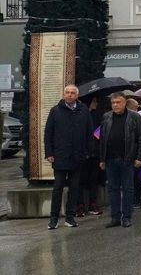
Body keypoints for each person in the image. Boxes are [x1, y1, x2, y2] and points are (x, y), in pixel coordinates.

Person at [44, 85, 93, 229]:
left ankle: (70, 217)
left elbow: (89, 132)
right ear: (63, 94)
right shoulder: (55, 111)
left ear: (77, 96)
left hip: (77, 156)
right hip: (60, 156)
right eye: (67, 92)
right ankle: (53, 219)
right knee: (58, 188)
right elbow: (48, 133)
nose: (69, 95)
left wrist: (88, 151)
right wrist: (49, 153)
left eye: (72, 93)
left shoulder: (83, 111)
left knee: (74, 188)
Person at [99, 93, 141, 228]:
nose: (115, 105)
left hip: (127, 158)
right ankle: (115, 217)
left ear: (124, 103)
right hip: (110, 158)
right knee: (112, 189)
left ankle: (126, 217)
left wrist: (139, 157)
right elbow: (102, 139)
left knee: (128, 189)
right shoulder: (106, 117)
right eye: (113, 103)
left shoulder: (134, 117)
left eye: (118, 102)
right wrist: (102, 159)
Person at [77, 96, 105, 217]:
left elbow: (101, 129)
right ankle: (80, 204)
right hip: (82, 151)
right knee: (80, 179)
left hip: (95, 151)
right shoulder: (79, 114)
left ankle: (93, 202)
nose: (96, 103)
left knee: (94, 178)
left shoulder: (96, 114)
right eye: (94, 101)